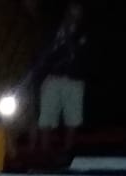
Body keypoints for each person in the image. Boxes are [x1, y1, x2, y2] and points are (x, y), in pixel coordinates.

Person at [35, 1, 87, 156]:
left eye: (78, 11)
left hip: (75, 79)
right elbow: (44, 52)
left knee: (73, 117)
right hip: (52, 77)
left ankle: (68, 152)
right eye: (72, 11)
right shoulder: (53, 29)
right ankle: (45, 152)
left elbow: (85, 55)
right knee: (46, 117)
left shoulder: (83, 31)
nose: (74, 15)